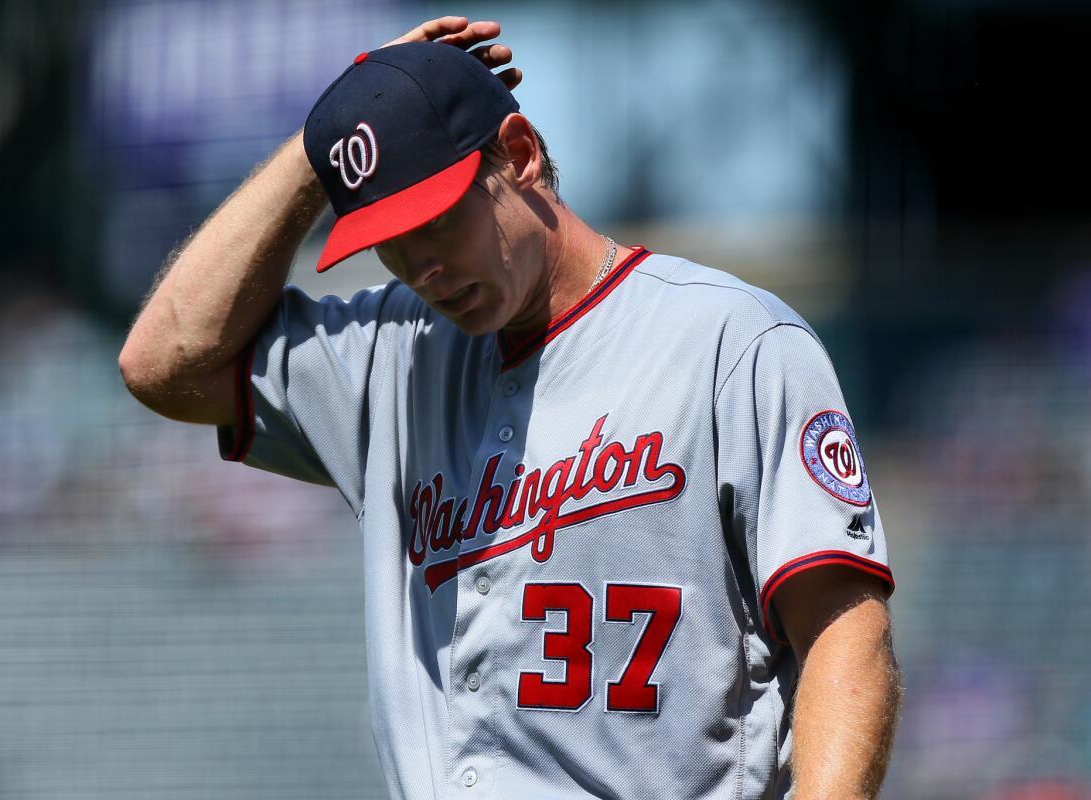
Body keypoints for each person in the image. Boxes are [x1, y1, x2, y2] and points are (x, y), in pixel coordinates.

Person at [119, 17, 902, 800]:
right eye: (387, 239)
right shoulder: (391, 355)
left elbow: (845, 630)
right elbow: (161, 362)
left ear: (520, 156)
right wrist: (323, 140)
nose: (420, 264)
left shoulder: (731, 342)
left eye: (434, 217)